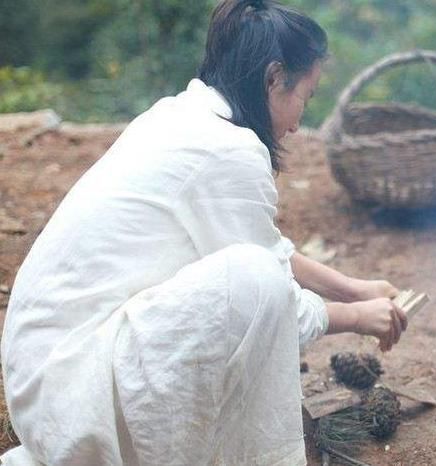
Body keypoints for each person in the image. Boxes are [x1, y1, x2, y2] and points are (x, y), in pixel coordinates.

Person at [0, 1, 407, 464]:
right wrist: (356, 318)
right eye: (305, 98)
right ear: (274, 78)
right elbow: (272, 298)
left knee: (251, 271)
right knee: (251, 280)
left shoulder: (182, 115)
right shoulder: (226, 151)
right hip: (71, 399)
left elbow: (265, 248)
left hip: (45, 380)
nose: (297, 124)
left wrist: (354, 289)